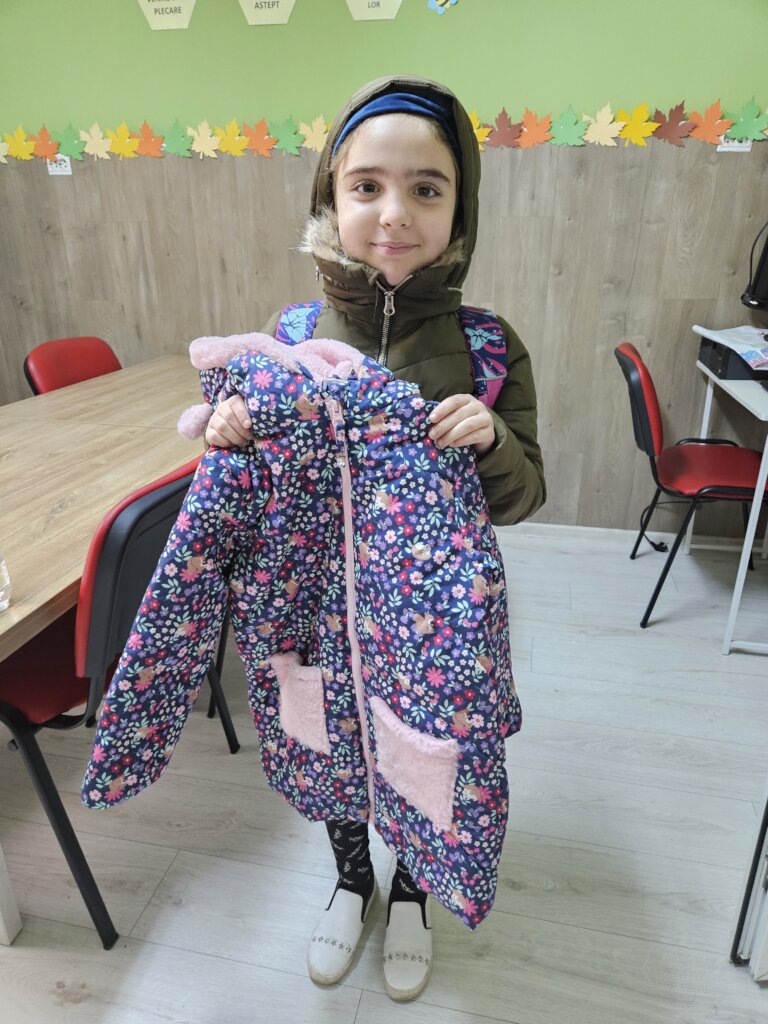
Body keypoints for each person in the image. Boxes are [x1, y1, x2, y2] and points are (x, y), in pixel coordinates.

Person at [204, 75, 544, 1000]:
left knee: (423, 758)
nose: (394, 214)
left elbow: (524, 495)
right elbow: (257, 486)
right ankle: (353, 880)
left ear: (460, 207)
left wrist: (494, 439)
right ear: (331, 196)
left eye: (426, 188)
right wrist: (234, 433)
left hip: (427, 634)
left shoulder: (488, 345)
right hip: (315, 615)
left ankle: (413, 895)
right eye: (367, 186)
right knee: (330, 749)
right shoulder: (288, 338)